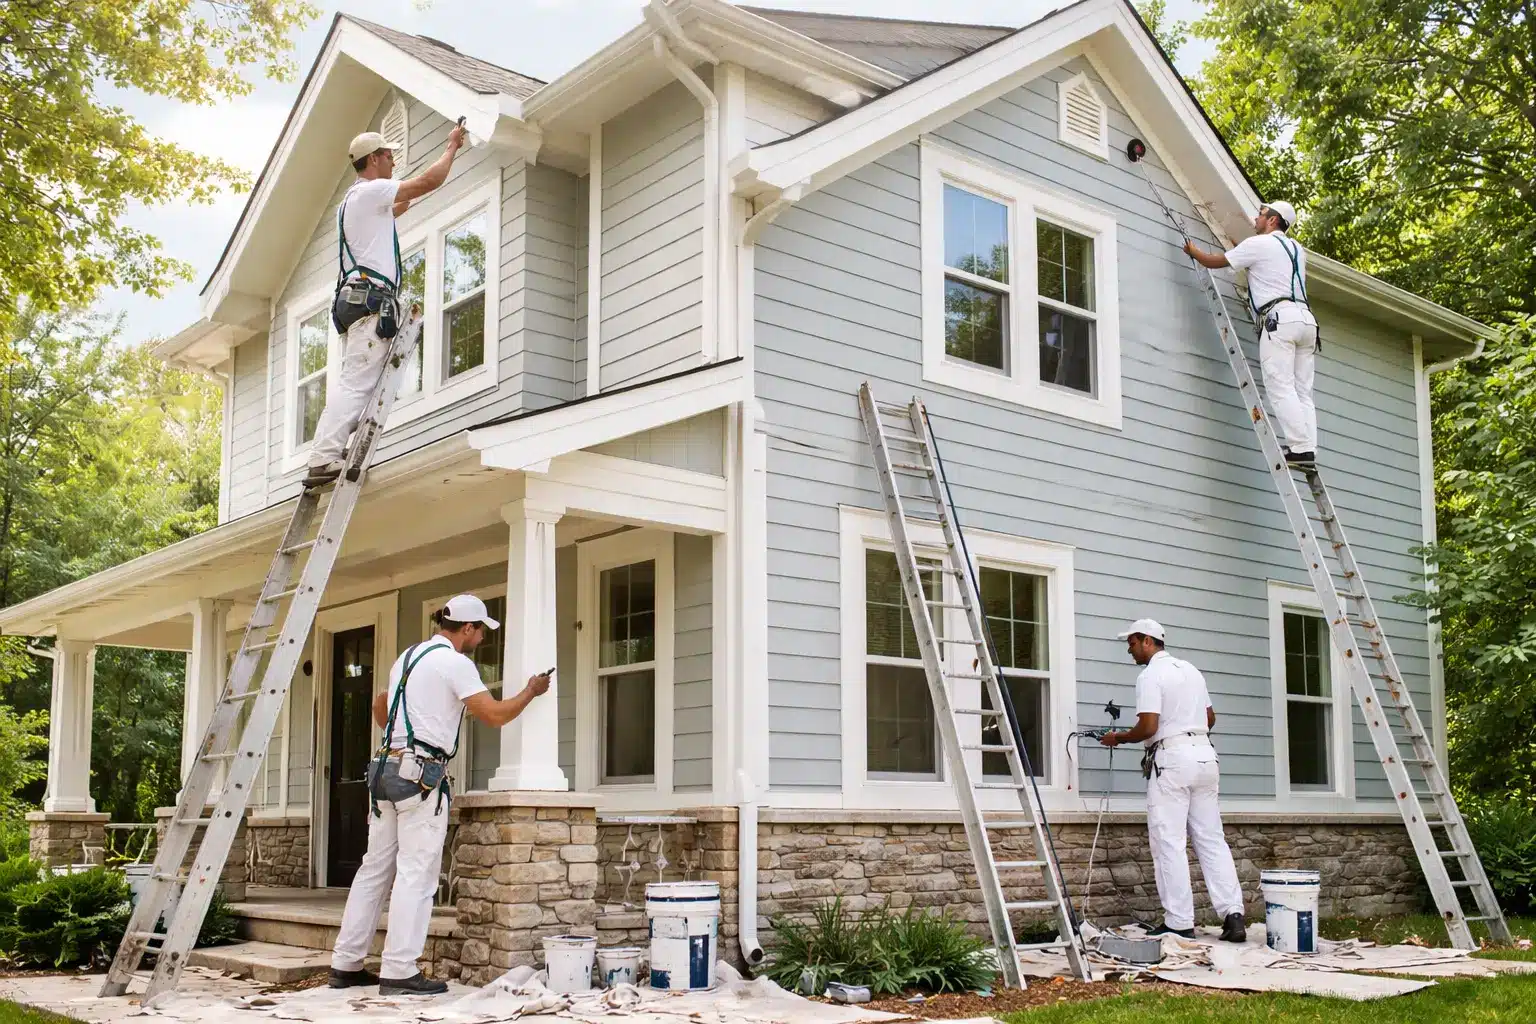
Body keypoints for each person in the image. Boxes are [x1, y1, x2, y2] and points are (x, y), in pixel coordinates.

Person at [328, 594, 551, 995]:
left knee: (373, 870)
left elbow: (382, 706)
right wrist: (531, 691)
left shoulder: (408, 657)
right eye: (480, 630)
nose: (482, 637)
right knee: (417, 874)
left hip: (383, 771)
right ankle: (398, 970)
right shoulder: (455, 663)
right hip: (419, 779)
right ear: (466, 628)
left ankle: (345, 964)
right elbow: (495, 715)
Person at [303, 122, 468, 489]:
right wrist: (451, 148)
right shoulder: (368, 193)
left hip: (356, 303)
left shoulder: (355, 203)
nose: (393, 161)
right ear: (374, 159)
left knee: (359, 377)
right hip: (369, 301)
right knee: (357, 382)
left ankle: (330, 450)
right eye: (389, 156)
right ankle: (324, 455)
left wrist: (416, 183)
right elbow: (427, 183)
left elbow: (404, 201)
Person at [1099, 618, 1246, 943]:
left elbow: (1149, 726)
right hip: (1205, 756)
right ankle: (1233, 916)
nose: (1130, 648)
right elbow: (1209, 717)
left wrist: (1119, 738)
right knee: (1211, 839)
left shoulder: (1150, 675)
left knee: (1169, 841)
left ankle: (1179, 922)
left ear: (1148, 641)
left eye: (1133, 642)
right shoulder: (1191, 670)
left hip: (1173, 760)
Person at [1182, 201, 1320, 466]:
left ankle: (1300, 449)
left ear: (1272, 220)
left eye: (1261, 215)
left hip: (1279, 320)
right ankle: (1308, 448)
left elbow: (1216, 262)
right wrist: (1240, 248)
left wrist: (1193, 251)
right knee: (1303, 391)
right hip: (1306, 321)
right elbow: (1262, 265)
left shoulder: (1259, 245)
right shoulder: (1296, 250)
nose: (1256, 218)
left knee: (1280, 385)